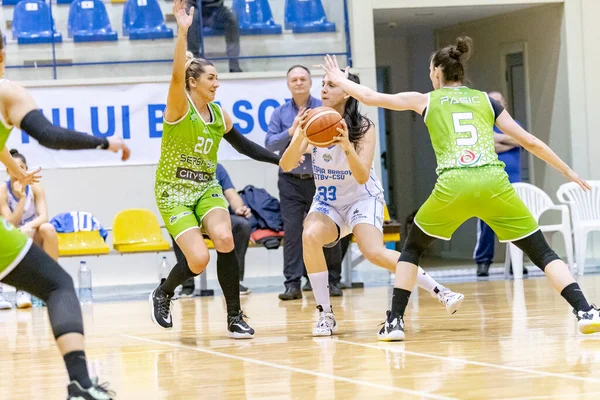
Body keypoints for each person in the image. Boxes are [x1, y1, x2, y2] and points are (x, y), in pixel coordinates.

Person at [319, 38, 600, 341]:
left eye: (430, 71)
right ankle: (584, 311)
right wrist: (567, 171)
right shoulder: (486, 101)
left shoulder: (426, 99)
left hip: (454, 184)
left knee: (412, 249)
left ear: (437, 73)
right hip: (494, 182)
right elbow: (529, 141)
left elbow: (371, 97)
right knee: (542, 252)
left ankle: (396, 322)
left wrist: (340, 81)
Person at [279, 69, 465, 336]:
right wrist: (300, 136)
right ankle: (325, 315)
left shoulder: (364, 128)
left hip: (361, 198)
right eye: (322, 84)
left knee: (373, 252)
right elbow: (286, 164)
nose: (323, 89)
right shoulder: (313, 122)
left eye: (331, 85)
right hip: (329, 202)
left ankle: (440, 291)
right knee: (309, 236)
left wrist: (345, 145)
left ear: (347, 91)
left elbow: (362, 174)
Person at [0, 28, 129, 399]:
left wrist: (9, 164)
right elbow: (51, 136)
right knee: (57, 285)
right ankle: (81, 385)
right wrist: (103, 142)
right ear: (3, 51)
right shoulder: (7, 92)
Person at [150, 0, 279, 339]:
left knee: (225, 237)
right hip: (174, 192)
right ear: (193, 82)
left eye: (218, 78)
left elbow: (245, 146)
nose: (216, 83)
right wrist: (182, 32)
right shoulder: (179, 106)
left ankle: (234, 316)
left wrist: (279, 160)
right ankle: (164, 292)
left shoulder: (219, 114)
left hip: (206, 188)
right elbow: (177, 73)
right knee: (197, 260)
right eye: (210, 77)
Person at [266, 65, 345, 301]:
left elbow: (335, 140)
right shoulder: (280, 113)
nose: (298, 82)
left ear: (310, 83)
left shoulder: (324, 109)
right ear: (288, 84)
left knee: (329, 230)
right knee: (292, 232)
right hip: (290, 181)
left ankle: (333, 281)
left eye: (303, 79)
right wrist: (291, 132)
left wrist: (310, 148)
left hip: (321, 178)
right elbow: (270, 144)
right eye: (294, 79)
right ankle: (292, 283)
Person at [176, 163, 253, 297]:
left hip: (213, 219)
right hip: (190, 219)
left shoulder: (217, 167)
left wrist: (240, 207)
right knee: (177, 229)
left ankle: (234, 281)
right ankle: (187, 284)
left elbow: (231, 193)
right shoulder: (181, 167)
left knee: (242, 225)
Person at [474, 91, 525, 277]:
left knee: (515, 224)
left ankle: (516, 263)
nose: (495, 104)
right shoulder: (477, 126)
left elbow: (521, 139)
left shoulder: (514, 125)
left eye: (498, 101)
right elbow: (485, 145)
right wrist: (511, 141)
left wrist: (495, 139)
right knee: (487, 225)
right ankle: (483, 262)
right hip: (488, 183)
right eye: (491, 102)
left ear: (504, 104)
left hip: (514, 184)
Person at [0, 149, 59, 308]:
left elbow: (43, 216)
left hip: (31, 233)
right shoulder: (3, 190)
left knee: (48, 229)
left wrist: (28, 227)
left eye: (22, 168)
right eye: (14, 168)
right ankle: (20, 290)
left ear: (26, 170)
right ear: (8, 170)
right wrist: (22, 199)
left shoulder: (35, 187)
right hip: (12, 236)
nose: (19, 172)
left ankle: (53, 285)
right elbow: (9, 223)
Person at [187, 0, 242, 73]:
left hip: (217, 9)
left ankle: (234, 63)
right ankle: (194, 63)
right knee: (191, 19)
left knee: (231, 18)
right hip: (195, 8)